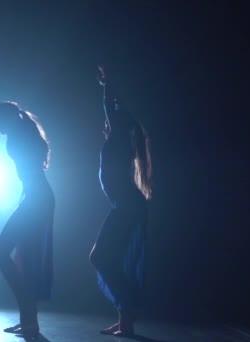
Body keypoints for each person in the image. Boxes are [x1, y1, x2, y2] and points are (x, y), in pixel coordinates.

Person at [0, 91, 54, 339]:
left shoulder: (21, 132)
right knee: (19, 259)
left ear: (9, 120)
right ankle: (29, 321)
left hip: (38, 201)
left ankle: (29, 317)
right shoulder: (19, 128)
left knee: (1, 252)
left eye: (0, 124)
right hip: (35, 199)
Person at [90, 65, 152, 336]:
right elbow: (113, 110)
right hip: (126, 206)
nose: (107, 121)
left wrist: (107, 84)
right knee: (109, 259)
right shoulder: (121, 141)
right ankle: (124, 317)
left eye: (112, 118)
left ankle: (128, 314)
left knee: (100, 258)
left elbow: (110, 108)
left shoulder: (118, 138)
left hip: (127, 207)